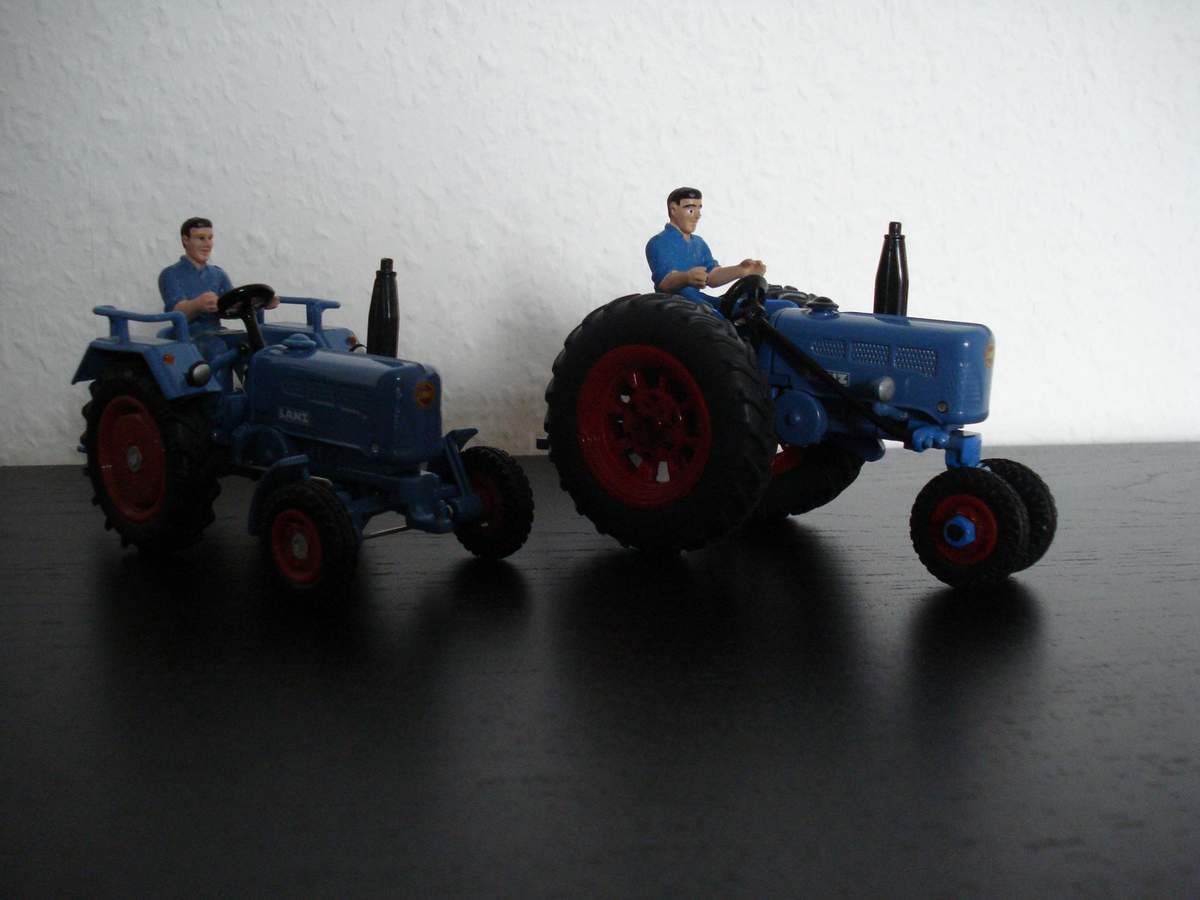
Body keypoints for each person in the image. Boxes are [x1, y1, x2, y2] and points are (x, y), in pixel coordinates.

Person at [645, 187, 767, 307]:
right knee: (719, 317)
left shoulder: (698, 243)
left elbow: (711, 277)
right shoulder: (658, 243)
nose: (697, 216)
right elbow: (664, 282)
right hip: (676, 306)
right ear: (673, 209)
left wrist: (741, 270)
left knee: (756, 305)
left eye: (699, 209)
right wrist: (686, 277)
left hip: (698, 300)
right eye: (691, 210)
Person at [158, 217, 276, 330]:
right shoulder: (171, 274)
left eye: (210, 238)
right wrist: (196, 305)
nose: (207, 244)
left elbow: (233, 304)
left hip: (217, 332)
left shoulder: (218, 274)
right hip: (189, 335)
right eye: (201, 238)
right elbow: (175, 313)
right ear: (185, 240)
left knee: (252, 341)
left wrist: (259, 302)